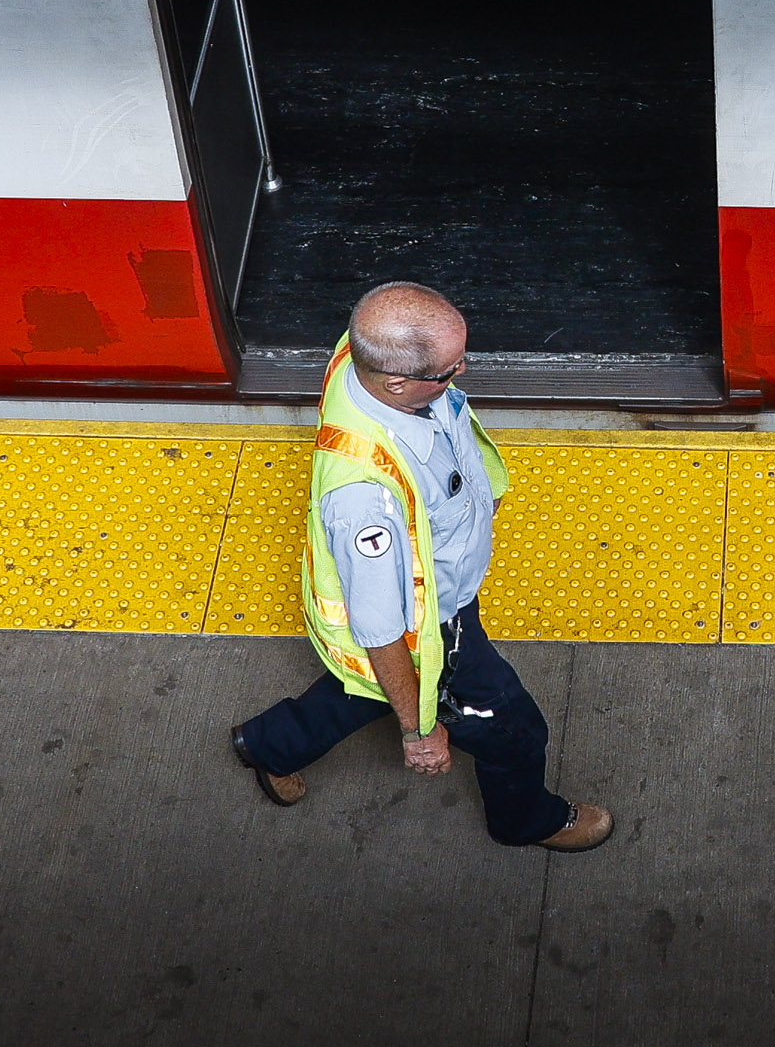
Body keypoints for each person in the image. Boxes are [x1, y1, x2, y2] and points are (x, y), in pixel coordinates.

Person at [229, 281, 613, 852]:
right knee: (516, 735)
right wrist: (420, 732)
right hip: (434, 623)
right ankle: (524, 821)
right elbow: (382, 631)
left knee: (361, 690)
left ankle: (269, 745)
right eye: (450, 371)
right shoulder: (364, 500)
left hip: (437, 591)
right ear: (398, 382)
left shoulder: (361, 355)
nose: (463, 374)